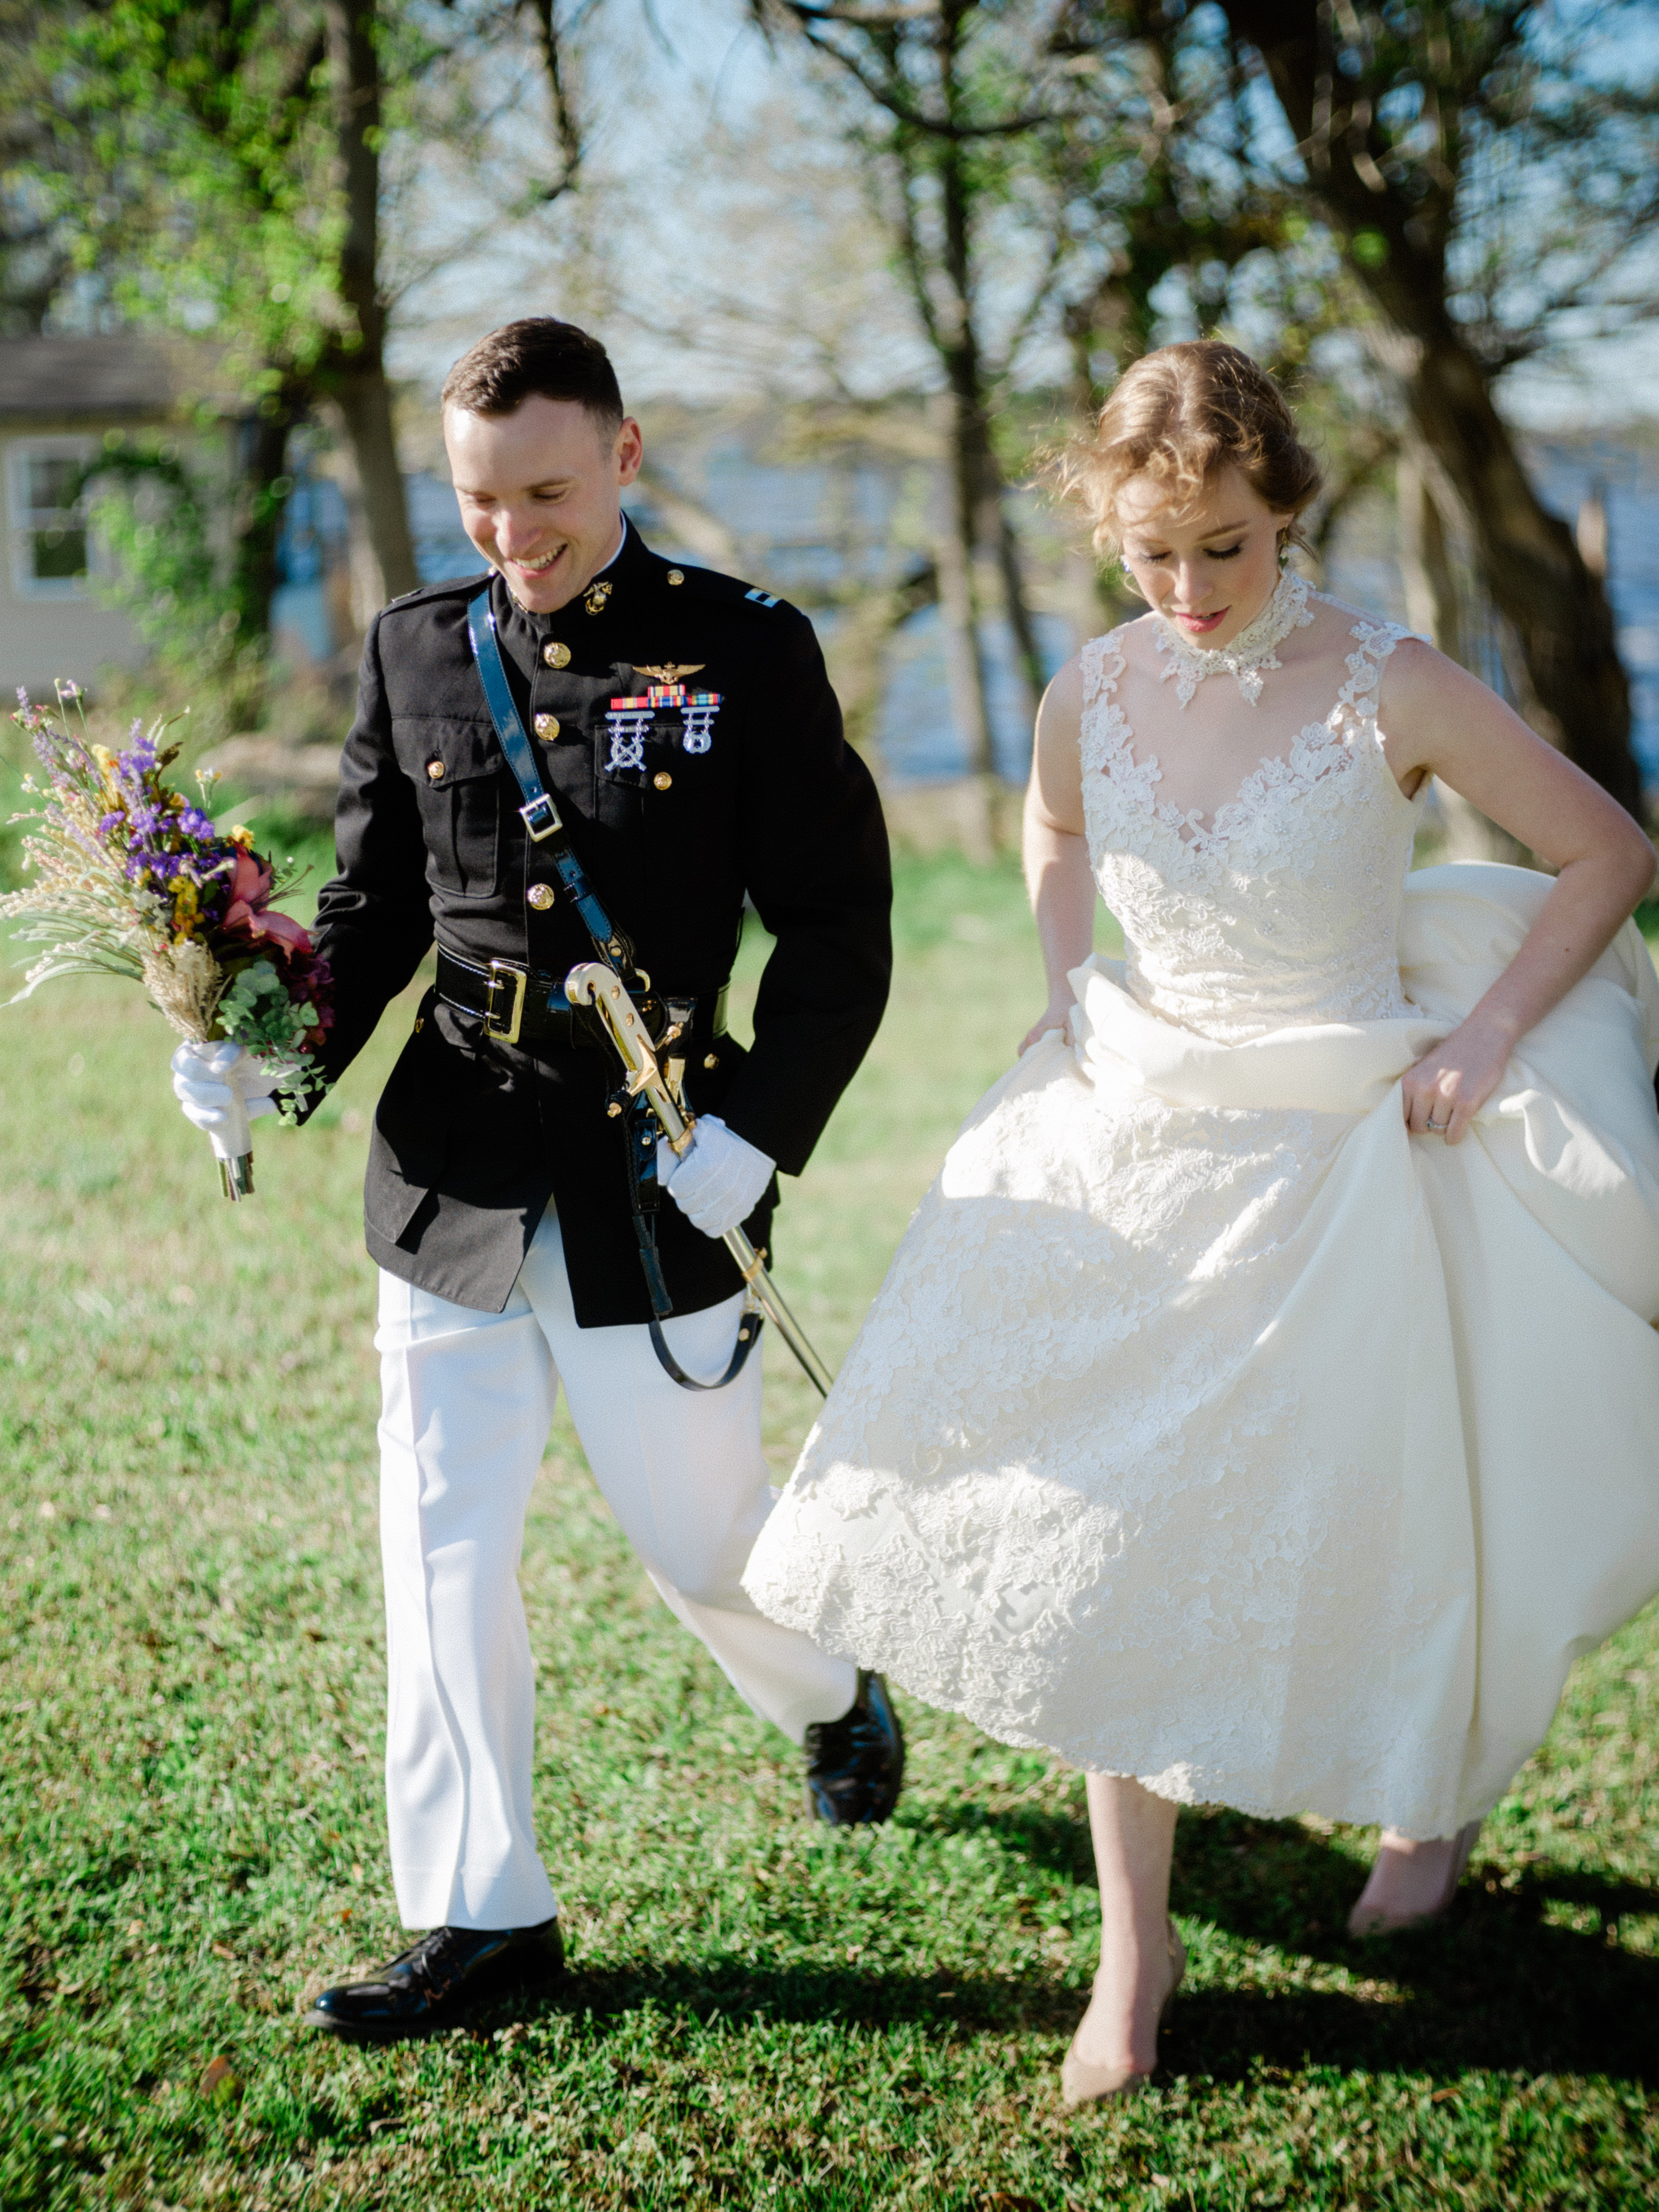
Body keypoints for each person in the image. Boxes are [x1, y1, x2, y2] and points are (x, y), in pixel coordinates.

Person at [743, 341, 1659, 2105]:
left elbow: (1609, 851)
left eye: (1224, 547)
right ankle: (1133, 1947)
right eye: (1154, 553)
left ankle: (1427, 1799)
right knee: (1115, 1543)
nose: (1189, 589)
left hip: (1350, 1153)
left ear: (1288, 510)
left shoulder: (1389, 685)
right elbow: (1053, 825)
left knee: (1391, 1515)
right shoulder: (1089, 685)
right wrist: (1070, 979)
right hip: (1137, 1147)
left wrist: (1483, 1031)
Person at [171, 317, 905, 2039]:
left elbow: (842, 922)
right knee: (439, 1547)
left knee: (702, 1544)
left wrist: (762, 1130)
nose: (511, 533)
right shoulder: (418, 649)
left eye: (548, 493)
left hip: (665, 1159)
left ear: (628, 458)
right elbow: (365, 916)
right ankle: (483, 1917)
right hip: (456, 1153)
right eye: (479, 500)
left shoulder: (746, 650)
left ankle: (832, 1690)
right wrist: (258, 1052)